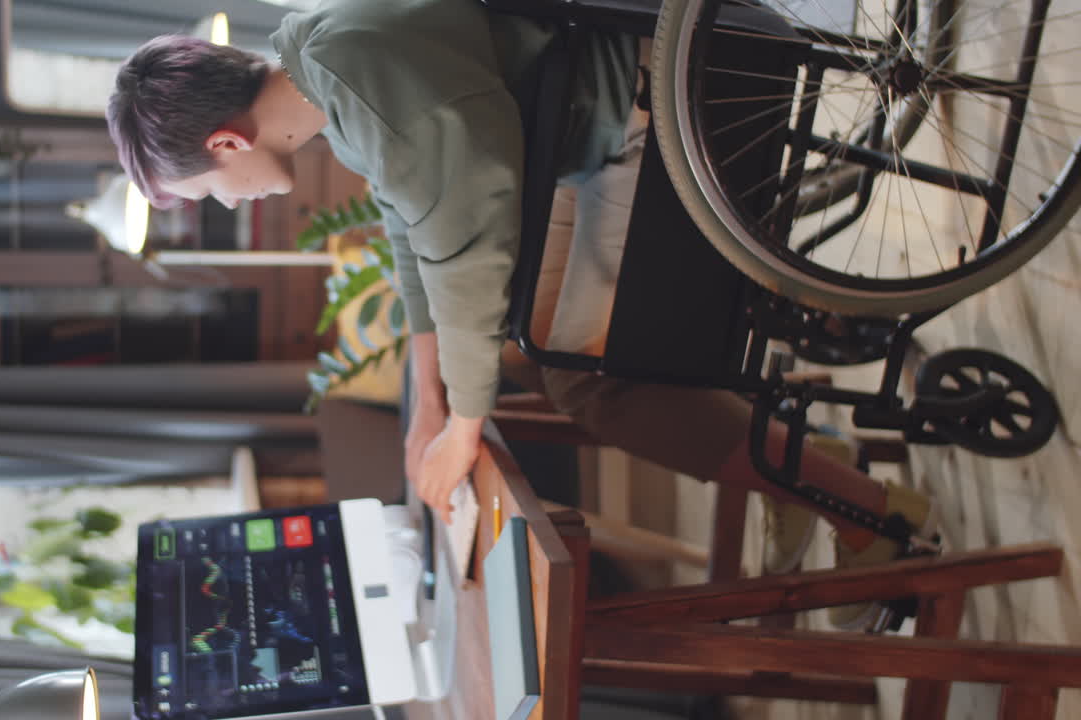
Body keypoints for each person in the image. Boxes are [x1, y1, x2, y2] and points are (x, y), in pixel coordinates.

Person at [105, 0, 935, 630]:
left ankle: (872, 513)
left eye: (205, 195)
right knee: (539, 349)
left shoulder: (359, 89)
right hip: (609, 109)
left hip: (659, 116)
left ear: (223, 144)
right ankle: (795, 463)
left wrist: (465, 426)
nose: (223, 205)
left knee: (593, 381)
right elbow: (414, 232)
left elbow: (466, 248)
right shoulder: (319, 61)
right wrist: (430, 399)